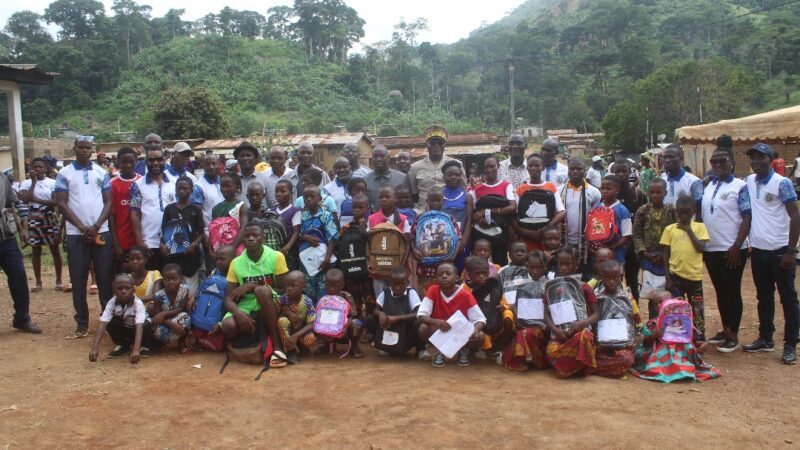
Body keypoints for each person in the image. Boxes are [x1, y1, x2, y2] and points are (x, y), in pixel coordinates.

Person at [741, 143, 799, 365]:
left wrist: (791, 251)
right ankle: (766, 338)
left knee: (788, 298)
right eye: (753, 158)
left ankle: (790, 344)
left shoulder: (781, 183)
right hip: (759, 251)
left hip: (780, 251)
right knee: (763, 297)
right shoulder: (749, 182)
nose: (756, 162)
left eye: (761, 158)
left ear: (771, 159)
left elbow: (795, 217)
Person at [55, 135, 113, 338]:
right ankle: (81, 322)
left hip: (101, 232)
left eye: (88, 147)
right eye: (81, 147)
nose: (85, 151)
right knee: (78, 280)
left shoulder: (101, 172)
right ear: (74, 148)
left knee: (105, 279)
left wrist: (96, 226)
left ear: (93, 150)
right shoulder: (64, 173)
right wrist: (81, 227)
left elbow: (108, 202)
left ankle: (107, 320)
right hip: (75, 235)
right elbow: (61, 203)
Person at [702, 149, 751, 353]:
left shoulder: (740, 186)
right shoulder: (709, 185)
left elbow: (747, 218)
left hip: (732, 248)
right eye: (714, 161)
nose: (718, 164)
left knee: (732, 290)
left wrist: (737, 246)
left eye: (722, 161)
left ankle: (733, 335)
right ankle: (725, 329)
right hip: (711, 248)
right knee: (720, 291)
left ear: (731, 162)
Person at [222, 222, 289, 368]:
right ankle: (249, 345)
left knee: (261, 291)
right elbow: (228, 299)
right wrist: (238, 313)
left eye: (255, 235)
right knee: (227, 325)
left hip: (271, 303)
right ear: (243, 241)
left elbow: (285, 290)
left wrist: (253, 286)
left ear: (263, 238)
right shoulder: (236, 263)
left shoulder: (276, 256)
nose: (250, 238)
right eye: (246, 236)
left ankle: (278, 347)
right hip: (247, 307)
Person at [631, 290, 721, 383]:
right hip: (661, 354)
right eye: (655, 304)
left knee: (688, 348)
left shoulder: (684, 321)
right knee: (656, 357)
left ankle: (681, 371)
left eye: (662, 302)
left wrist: (701, 345)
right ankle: (676, 371)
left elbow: (691, 339)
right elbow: (644, 343)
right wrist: (654, 335)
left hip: (682, 353)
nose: (659, 305)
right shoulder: (653, 323)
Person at [417, 263, 487, 367]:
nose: (444, 276)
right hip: (440, 330)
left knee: (480, 336)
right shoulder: (432, 290)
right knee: (423, 328)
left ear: (457, 278)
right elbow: (421, 314)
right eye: (440, 274)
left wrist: (476, 330)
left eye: (448, 273)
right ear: (436, 278)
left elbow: (480, 318)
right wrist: (436, 321)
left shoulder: (465, 294)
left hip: (460, 334)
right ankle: (438, 350)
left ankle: (464, 350)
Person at [661, 195, 710, 343]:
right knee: (677, 309)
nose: (684, 216)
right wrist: (668, 277)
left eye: (687, 213)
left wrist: (689, 230)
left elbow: (701, 248)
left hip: (694, 278)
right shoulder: (670, 229)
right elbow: (665, 254)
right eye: (680, 213)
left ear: (693, 211)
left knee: (697, 310)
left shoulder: (700, 227)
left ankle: (699, 338)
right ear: (676, 212)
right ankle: (678, 338)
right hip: (676, 277)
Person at [544, 247, 599, 378]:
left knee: (585, 338)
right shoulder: (551, 287)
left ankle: (571, 367)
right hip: (559, 335)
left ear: (576, 265)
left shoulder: (584, 287)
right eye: (560, 264)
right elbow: (545, 314)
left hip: (579, 333)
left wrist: (583, 323)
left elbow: (597, 313)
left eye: (567, 264)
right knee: (551, 351)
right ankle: (576, 365)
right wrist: (556, 330)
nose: (563, 268)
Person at [0, 170, 41, 333]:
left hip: (7, 238)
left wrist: (21, 229)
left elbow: (11, 205)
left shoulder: (2, 178)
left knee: (19, 277)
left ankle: (22, 318)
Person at [633, 178, 676, 318]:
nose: (655, 195)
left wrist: (665, 254)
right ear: (648, 193)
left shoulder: (671, 212)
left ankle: (670, 323)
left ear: (665, 193)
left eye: (659, 192)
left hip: (668, 260)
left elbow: (676, 235)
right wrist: (644, 252)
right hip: (649, 260)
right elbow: (637, 234)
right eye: (652, 192)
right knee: (653, 294)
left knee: (669, 291)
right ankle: (654, 324)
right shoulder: (642, 211)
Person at [19, 157, 63, 291]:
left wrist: (36, 199)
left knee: (54, 249)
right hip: (34, 217)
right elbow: (25, 200)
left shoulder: (52, 183)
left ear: (45, 169)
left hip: (49, 217)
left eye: (40, 167)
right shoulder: (26, 183)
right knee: (36, 250)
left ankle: (59, 280)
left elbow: (55, 202)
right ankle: (38, 282)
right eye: (35, 167)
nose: (37, 169)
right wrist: (33, 183)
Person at [130, 145, 176, 271]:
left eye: (159, 159)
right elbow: (135, 215)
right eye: (151, 160)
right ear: (146, 161)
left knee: (171, 283)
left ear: (164, 160)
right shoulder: (137, 185)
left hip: (173, 243)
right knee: (153, 284)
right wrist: (140, 242)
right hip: (149, 243)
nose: (155, 163)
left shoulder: (174, 183)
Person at [462, 256, 514, 365]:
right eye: (477, 274)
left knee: (508, 316)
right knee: (479, 335)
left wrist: (503, 307)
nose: (482, 276)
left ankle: (498, 349)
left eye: (485, 273)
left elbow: (505, 302)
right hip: (475, 325)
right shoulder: (465, 289)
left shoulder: (494, 285)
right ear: (469, 275)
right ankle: (471, 350)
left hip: (493, 320)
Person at [503, 250, 549, 372]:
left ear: (545, 267)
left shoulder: (550, 286)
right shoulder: (522, 286)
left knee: (525, 334)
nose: (535, 271)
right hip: (524, 325)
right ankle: (525, 358)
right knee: (522, 333)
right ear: (526, 267)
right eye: (531, 267)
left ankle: (537, 360)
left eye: (539, 267)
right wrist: (516, 312)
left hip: (546, 328)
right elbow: (519, 309)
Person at [88, 274, 151, 363]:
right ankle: (123, 345)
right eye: (119, 288)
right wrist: (94, 348)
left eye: (127, 288)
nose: (123, 291)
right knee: (109, 320)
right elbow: (102, 324)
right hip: (126, 329)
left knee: (146, 325)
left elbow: (139, 326)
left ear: (133, 290)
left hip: (139, 330)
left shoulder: (138, 303)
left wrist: (135, 350)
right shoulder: (112, 302)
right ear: (114, 290)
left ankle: (143, 346)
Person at [411, 186, 462, 293]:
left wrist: (453, 256)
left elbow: (459, 238)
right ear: (427, 201)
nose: (435, 203)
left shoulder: (450, 218)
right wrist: (414, 251)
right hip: (425, 266)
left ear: (443, 201)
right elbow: (412, 237)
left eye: (438, 200)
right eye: (432, 200)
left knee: (444, 293)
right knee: (426, 293)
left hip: (445, 263)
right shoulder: (420, 218)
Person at [512, 153, 565, 252]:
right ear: (527, 168)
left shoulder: (551, 187)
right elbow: (513, 216)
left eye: (537, 165)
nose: (534, 168)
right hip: (526, 237)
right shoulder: (520, 190)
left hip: (547, 239)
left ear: (543, 167)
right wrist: (524, 232)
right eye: (531, 165)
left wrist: (546, 229)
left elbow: (562, 212)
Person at [161, 177, 205, 294]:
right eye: (179, 188)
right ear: (175, 190)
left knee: (191, 292)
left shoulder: (195, 209)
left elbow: (201, 232)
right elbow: (163, 230)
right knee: (174, 290)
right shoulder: (169, 209)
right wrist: (162, 245)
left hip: (190, 256)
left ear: (191, 190)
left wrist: (195, 244)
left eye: (185, 188)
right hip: (173, 256)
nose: (182, 191)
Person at [558, 157, 601, 277]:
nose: (575, 171)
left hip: (585, 243)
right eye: (572, 168)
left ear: (585, 171)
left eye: (579, 169)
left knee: (584, 274)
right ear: (568, 170)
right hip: (564, 240)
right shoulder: (559, 191)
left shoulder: (594, 192)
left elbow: (596, 218)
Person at [470, 156, 517, 266]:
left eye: (492, 166)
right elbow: (473, 213)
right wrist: (479, 219)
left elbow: (512, 207)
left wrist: (487, 211)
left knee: (500, 265)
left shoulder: (506, 186)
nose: (489, 169)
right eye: (486, 167)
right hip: (482, 234)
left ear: (498, 166)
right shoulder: (477, 189)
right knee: (480, 265)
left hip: (500, 235)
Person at [366, 267, 423, 356]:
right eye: (394, 284)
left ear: (407, 283)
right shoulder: (385, 292)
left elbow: (419, 313)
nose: (397, 288)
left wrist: (397, 318)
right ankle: (382, 344)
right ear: (389, 283)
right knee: (370, 319)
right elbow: (374, 309)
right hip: (389, 328)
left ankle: (420, 349)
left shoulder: (411, 293)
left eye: (401, 284)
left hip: (405, 331)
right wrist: (381, 313)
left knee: (419, 322)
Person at [593, 260, 635, 378]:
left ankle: (596, 368)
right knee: (587, 354)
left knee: (626, 359)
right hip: (600, 345)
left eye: (615, 278)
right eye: (607, 278)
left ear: (620, 277)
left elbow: (635, 320)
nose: (612, 282)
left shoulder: (627, 297)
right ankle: (609, 369)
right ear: (601, 277)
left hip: (621, 344)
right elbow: (590, 321)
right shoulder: (595, 297)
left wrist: (629, 342)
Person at [613, 158, 647, 303]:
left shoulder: (638, 194)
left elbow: (645, 221)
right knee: (615, 280)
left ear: (629, 172)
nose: (621, 174)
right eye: (617, 171)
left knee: (632, 279)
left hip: (633, 247)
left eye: (624, 171)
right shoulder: (608, 193)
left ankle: (635, 313)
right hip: (615, 247)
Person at [367, 186, 412, 295]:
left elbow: (407, 244)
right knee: (380, 297)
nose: (384, 199)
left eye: (387, 196)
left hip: (398, 270)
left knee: (400, 297)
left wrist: (401, 265)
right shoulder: (372, 219)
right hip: (378, 269)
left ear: (395, 198)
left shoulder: (403, 219)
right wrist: (368, 261)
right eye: (381, 197)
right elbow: (368, 243)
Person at [299, 185, 339, 302]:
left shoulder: (326, 215)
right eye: (306, 197)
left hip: (323, 260)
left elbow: (332, 238)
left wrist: (327, 259)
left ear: (320, 198)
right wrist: (306, 237)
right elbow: (298, 234)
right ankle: (311, 318)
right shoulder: (302, 216)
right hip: (307, 261)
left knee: (323, 293)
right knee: (309, 292)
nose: (309, 199)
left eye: (312, 196)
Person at [408, 125, 462, 211]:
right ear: (427, 145)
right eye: (432, 143)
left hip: (449, 210)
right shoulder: (415, 167)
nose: (436, 146)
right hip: (424, 212)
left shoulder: (457, 165)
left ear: (444, 145)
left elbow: (463, 188)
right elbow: (414, 193)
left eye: (440, 143)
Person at [109, 147, 142, 273]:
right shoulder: (113, 184)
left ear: (136, 161)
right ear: (118, 162)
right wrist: (115, 244)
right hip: (122, 241)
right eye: (124, 162)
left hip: (140, 240)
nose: (128, 165)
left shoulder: (142, 181)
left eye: (131, 162)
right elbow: (111, 216)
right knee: (123, 277)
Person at [589, 175, 632, 265]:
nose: (604, 191)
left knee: (614, 277)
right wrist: (593, 245)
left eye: (608, 189)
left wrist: (610, 247)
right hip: (598, 255)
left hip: (616, 255)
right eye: (602, 188)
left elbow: (626, 236)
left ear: (617, 190)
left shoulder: (622, 210)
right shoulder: (596, 208)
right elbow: (592, 230)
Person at [276, 270, 317, 364]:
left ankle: (302, 347)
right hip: (288, 330)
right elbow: (276, 315)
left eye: (293, 285)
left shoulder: (307, 301)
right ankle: (291, 351)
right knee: (282, 321)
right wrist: (287, 313)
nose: (289, 289)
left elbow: (312, 324)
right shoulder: (282, 299)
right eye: (287, 285)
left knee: (310, 340)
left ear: (303, 287)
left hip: (302, 330)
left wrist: (296, 335)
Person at [150, 263, 192, 352]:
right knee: (155, 331)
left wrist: (164, 313)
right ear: (163, 280)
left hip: (177, 318)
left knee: (185, 316)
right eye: (167, 279)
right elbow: (157, 317)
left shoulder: (184, 290)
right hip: (163, 322)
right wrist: (170, 323)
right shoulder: (158, 295)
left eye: (174, 278)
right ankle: (163, 344)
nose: (170, 282)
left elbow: (181, 308)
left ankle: (181, 342)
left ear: (181, 279)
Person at [323, 268, 365, 358]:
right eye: (329, 286)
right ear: (325, 285)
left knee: (356, 323)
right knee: (314, 322)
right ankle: (327, 344)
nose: (331, 289)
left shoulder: (347, 296)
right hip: (328, 329)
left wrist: (345, 328)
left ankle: (354, 346)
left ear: (342, 285)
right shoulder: (324, 298)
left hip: (344, 331)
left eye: (335, 286)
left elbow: (352, 315)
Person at [364, 145, 410, 212]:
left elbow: (408, 203)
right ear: (372, 159)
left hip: (397, 219)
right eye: (375, 157)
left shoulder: (403, 178)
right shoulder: (365, 180)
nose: (379, 159)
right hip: (372, 219)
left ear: (388, 158)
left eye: (382, 156)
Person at [190, 154, 224, 236]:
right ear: (203, 166)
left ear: (219, 164)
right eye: (207, 164)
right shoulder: (198, 187)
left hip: (226, 230)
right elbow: (196, 214)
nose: (211, 167)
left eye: (213, 163)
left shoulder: (223, 182)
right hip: (210, 233)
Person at [660, 144, 703, 209]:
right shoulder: (662, 182)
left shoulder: (693, 182)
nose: (667, 160)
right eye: (665, 157)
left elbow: (699, 209)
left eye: (671, 157)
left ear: (681, 159)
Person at [270, 179, 301, 269]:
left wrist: (287, 248)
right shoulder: (271, 211)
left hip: (289, 250)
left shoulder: (294, 211)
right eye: (277, 191)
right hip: (274, 249)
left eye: (283, 191)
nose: (279, 194)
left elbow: (296, 232)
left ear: (291, 194)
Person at [232, 142, 271, 207]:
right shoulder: (233, 181)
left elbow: (273, 205)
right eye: (242, 156)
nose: (245, 158)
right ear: (237, 159)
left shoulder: (265, 180)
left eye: (248, 155)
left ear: (255, 159)